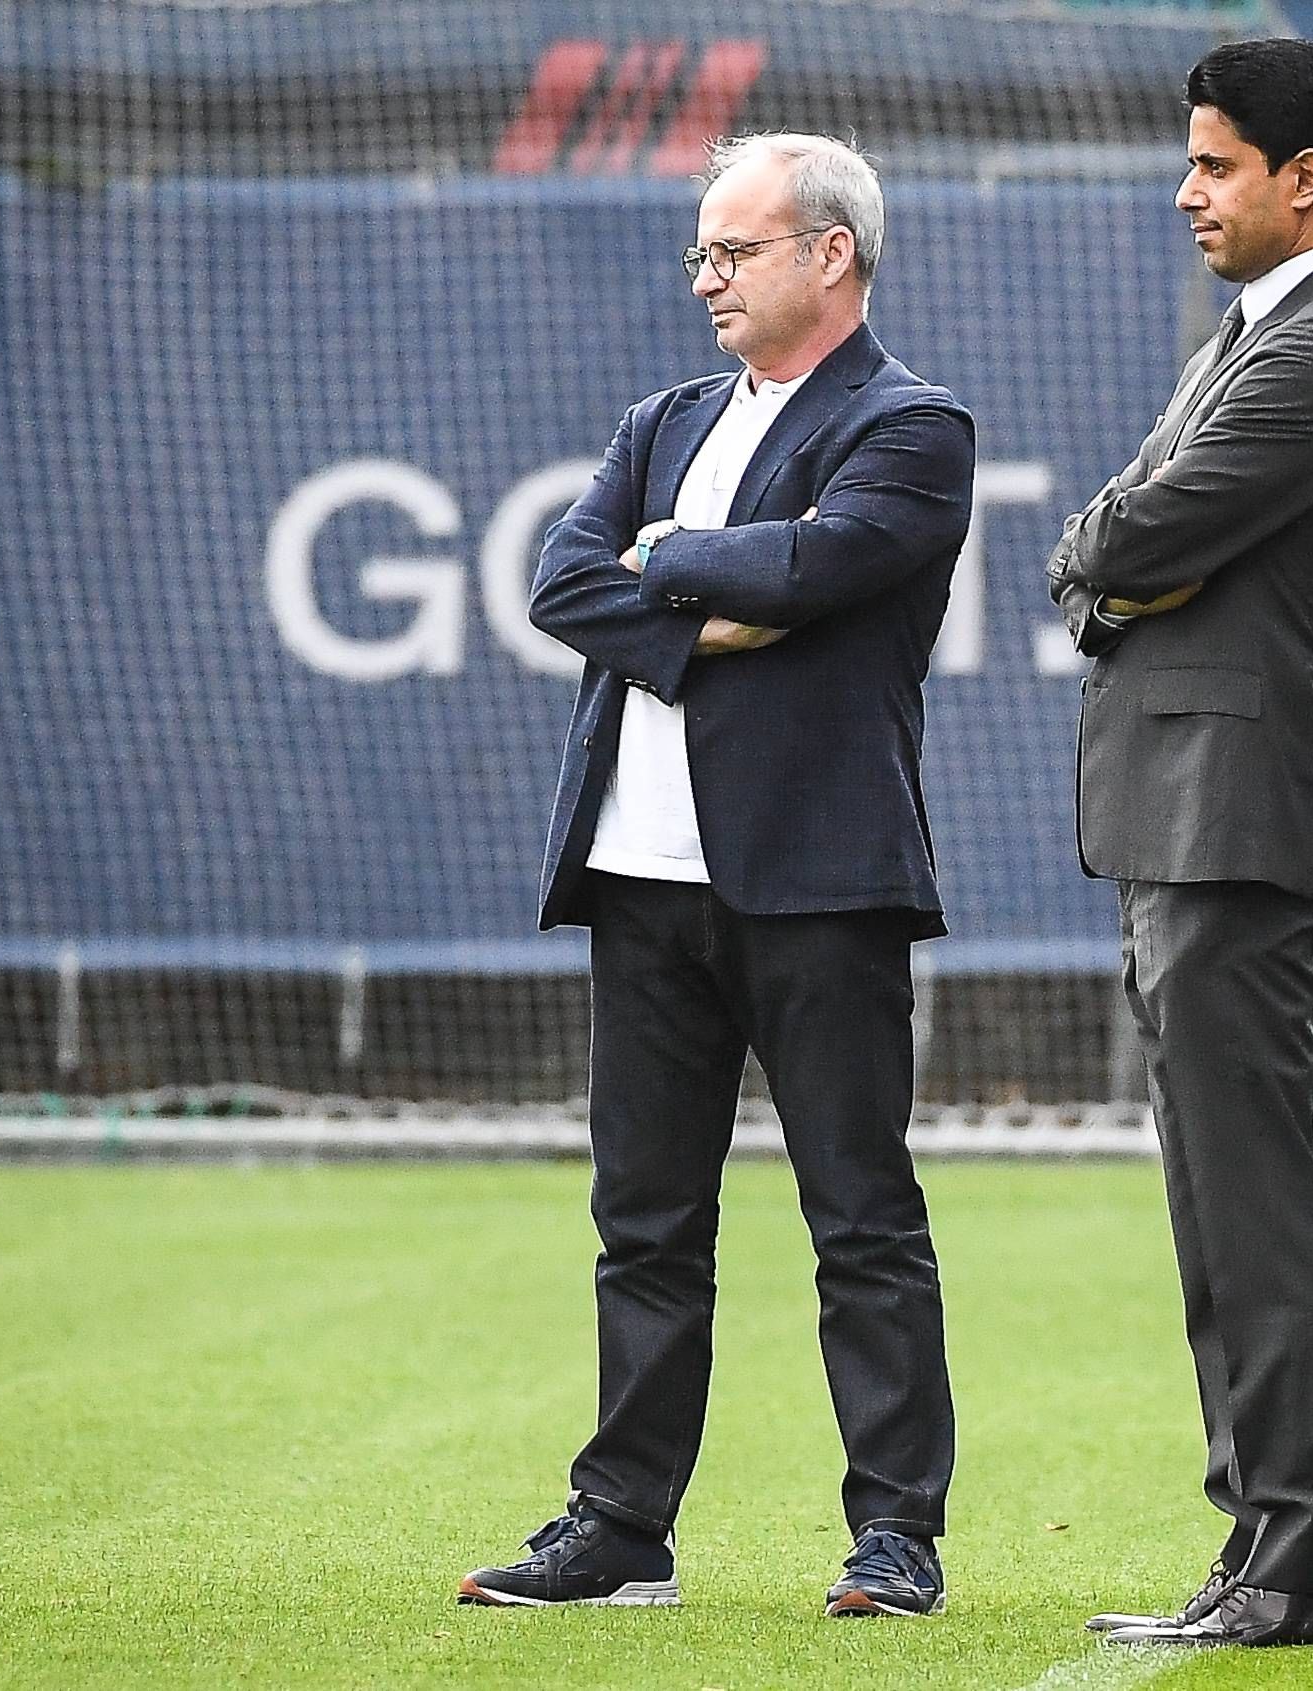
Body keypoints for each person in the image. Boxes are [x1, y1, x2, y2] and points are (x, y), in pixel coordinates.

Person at [457, 132, 973, 1620]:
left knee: (861, 1220)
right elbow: (563, 580)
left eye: (735, 251)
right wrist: (709, 603)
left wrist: (672, 560)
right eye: (702, 252)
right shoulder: (665, 417)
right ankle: (622, 1531)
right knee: (647, 1222)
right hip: (638, 881)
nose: (707, 277)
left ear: (833, 253)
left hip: (820, 878)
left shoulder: (913, 424)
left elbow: (820, 577)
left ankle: (896, 1537)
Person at [1046, 38, 1313, 1650]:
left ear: (1300, 178)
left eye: (1214, 164)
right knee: (1217, 1197)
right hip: (1183, 823)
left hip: (1233, 826)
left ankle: (1294, 1560)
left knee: (1246, 1201)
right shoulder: (1256, 335)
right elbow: (1117, 542)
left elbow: (1131, 533)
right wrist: (1114, 562)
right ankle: (1263, 1545)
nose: (1186, 192)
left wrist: (1111, 563)